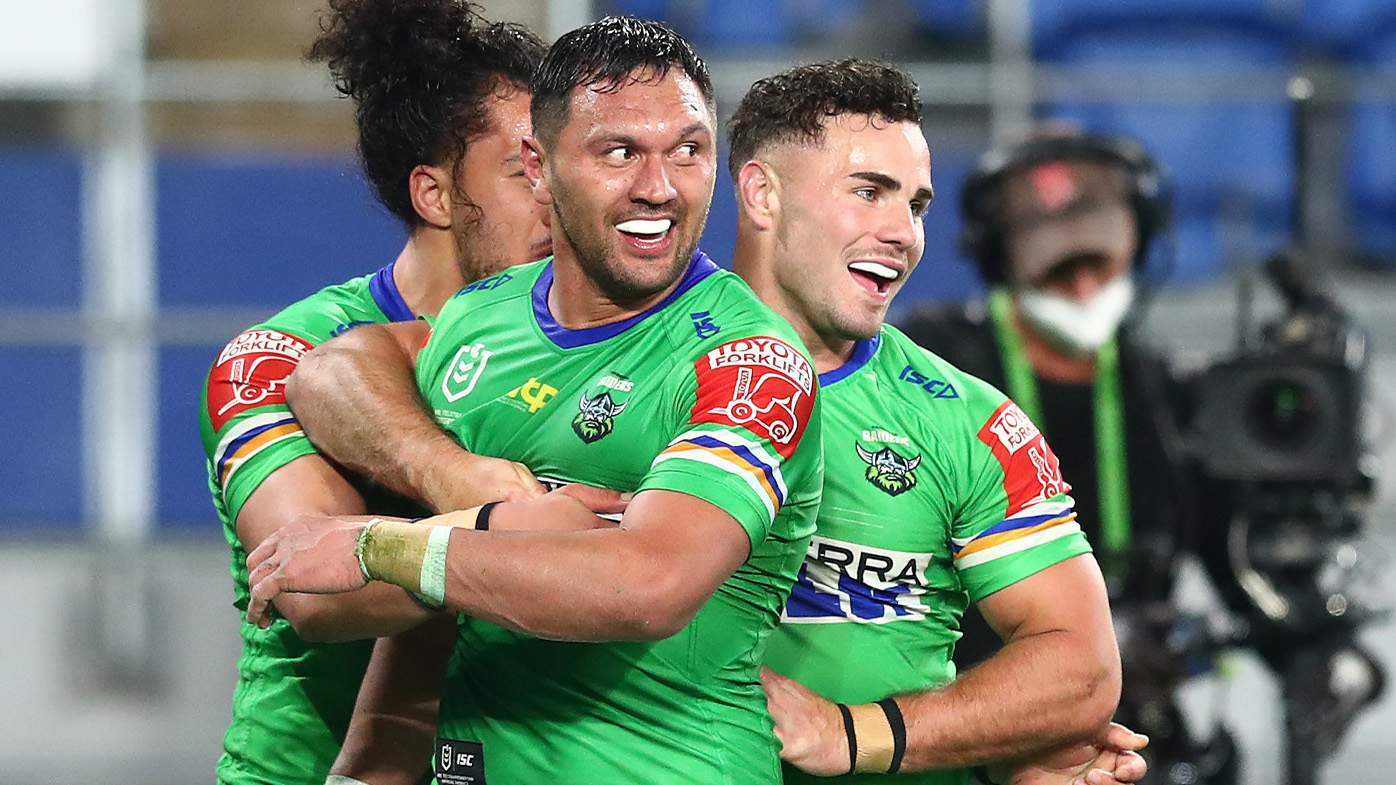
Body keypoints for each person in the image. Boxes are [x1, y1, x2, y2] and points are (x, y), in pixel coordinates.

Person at [261, 54, 1147, 785]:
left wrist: (877, 733)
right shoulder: (593, 340)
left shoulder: (965, 421)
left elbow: (1078, 667)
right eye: (869, 192)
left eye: (914, 204)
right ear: (760, 193)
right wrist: (454, 477)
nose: (902, 233)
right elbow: (340, 368)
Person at [243, 16, 825, 785]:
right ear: (539, 168)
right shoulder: (481, 318)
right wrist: (455, 481)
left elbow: (647, 586)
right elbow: (333, 370)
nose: (659, 187)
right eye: (619, 152)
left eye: (688, 150)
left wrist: (380, 545)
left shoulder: (750, 360)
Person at [197, 4, 567, 784]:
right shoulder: (274, 358)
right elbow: (314, 593)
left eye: (563, 167)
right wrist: (508, 521)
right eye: (524, 171)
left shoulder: (595, 345)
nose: (557, 199)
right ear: (434, 195)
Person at [897, 132, 1234, 781]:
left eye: (1098, 262)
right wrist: (1080, 645)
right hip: (962, 712)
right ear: (1000, 261)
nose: (1082, 286)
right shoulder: (928, 366)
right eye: (1056, 268)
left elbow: (1234, 561)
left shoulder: (1164, 389)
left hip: (1132, 731)